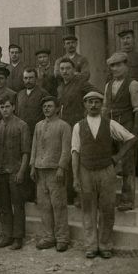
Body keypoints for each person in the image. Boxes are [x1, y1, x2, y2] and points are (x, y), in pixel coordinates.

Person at [71, 92, 137, 259]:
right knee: (88, 209)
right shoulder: (78, 126)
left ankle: (105, 245)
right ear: (85, 104)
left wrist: (117, 157)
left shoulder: (110, 124)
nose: (93, 105)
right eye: (90, 102)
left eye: (97, 102)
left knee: (107, 208)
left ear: (101, 105)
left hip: (107, 170)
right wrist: (75, 177)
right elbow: (75, 153)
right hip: (86, 170)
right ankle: (91, 246)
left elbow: (130, 139)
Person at [102, 53, 138, 211]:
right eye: (112, 66)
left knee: (127, 165)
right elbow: (105, 108)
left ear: (126, 66)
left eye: (119, 65)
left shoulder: (134, 85)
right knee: (108, 163)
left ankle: (127, 199)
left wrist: (134, 132)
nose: (115, 69)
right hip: (110, 128)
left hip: (126, 127)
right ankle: (109, 198)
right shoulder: (108, 85)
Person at [30, 96, 72, 251]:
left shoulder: (64, 126)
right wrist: (33, 166)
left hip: (55, 171)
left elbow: (66, 149)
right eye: (44, 106)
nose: (46, 109)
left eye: (49, 106)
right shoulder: (38, 126)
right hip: (41, 171)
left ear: (57, 108)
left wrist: (62, 167)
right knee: (44, 205)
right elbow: (34, 147)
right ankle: (48, 236)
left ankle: (62, 238)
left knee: (58, 205)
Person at [0, 96, 31, 250]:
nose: (4, 110)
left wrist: (21, 171)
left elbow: (26, 151)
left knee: (18, 205)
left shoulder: (22, 126)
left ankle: (18, 238)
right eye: (2, 107)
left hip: (14, 171)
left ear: (13, 107)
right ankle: (7, 235)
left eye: (7, 106)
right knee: (3, 205)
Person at [56, 57, 95, 204]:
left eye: (68, 68)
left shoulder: (81, 84)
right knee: (67, 160)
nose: (65, 71)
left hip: (78, 126)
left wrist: (87, 115)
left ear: (74, 70)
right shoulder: (60, 87)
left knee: (79, 160)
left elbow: (96, 95)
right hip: (64, 128)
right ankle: (69, 194)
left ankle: (81, 195)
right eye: (62, 69)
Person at [15, 68, 50, 135]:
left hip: (38, 131)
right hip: (21, 131)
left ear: (36, 78)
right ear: (23, 79)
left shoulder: (43, 94)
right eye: (26, 78)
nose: (28, 81)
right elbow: (17, 113)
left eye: (31, 78)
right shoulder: (20, 94)